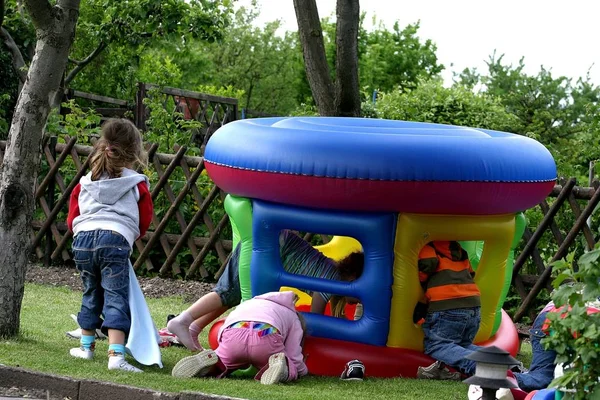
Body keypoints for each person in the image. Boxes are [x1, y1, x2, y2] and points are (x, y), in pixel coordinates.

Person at [167, 230, 364, 350]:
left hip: (276, 243)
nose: (361, 298)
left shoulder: (335, 280)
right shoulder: (331, 280)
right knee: (226, 291)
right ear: (353, 278)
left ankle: (193, 328)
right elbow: (316, 316)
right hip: (274, 245)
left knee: (233, 294)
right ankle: (182, 320)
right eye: (360, 293)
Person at [67, 119, 152, 373]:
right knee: (116, 296)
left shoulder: (86, 181)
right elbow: (144, 218)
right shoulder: (136, 182)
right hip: (114, 239)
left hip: (82, 239)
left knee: (91, 292)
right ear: (134, 152)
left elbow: (73, 215)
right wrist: (128, 237)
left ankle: (86, 348)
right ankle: (116, 356)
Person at [171, 291, 308, 385]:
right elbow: (293, 352)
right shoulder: (292, 315)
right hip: (266, 334)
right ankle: (280, 368)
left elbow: (225, 328)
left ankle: (213, 363)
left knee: (223, 361)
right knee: (286, 363)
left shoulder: (248, 304)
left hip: (235, 331)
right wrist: (301, 369)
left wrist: (222, 348)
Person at [415, 241, 482, 380]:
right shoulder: (459, 250)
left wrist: (420, 280)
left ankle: (477, 367)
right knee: (463, 345)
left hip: (448, 306)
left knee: (437, 345)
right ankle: (503, 363)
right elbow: (471, 273)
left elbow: (428, 264)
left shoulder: (429, 247)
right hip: (473, 305)